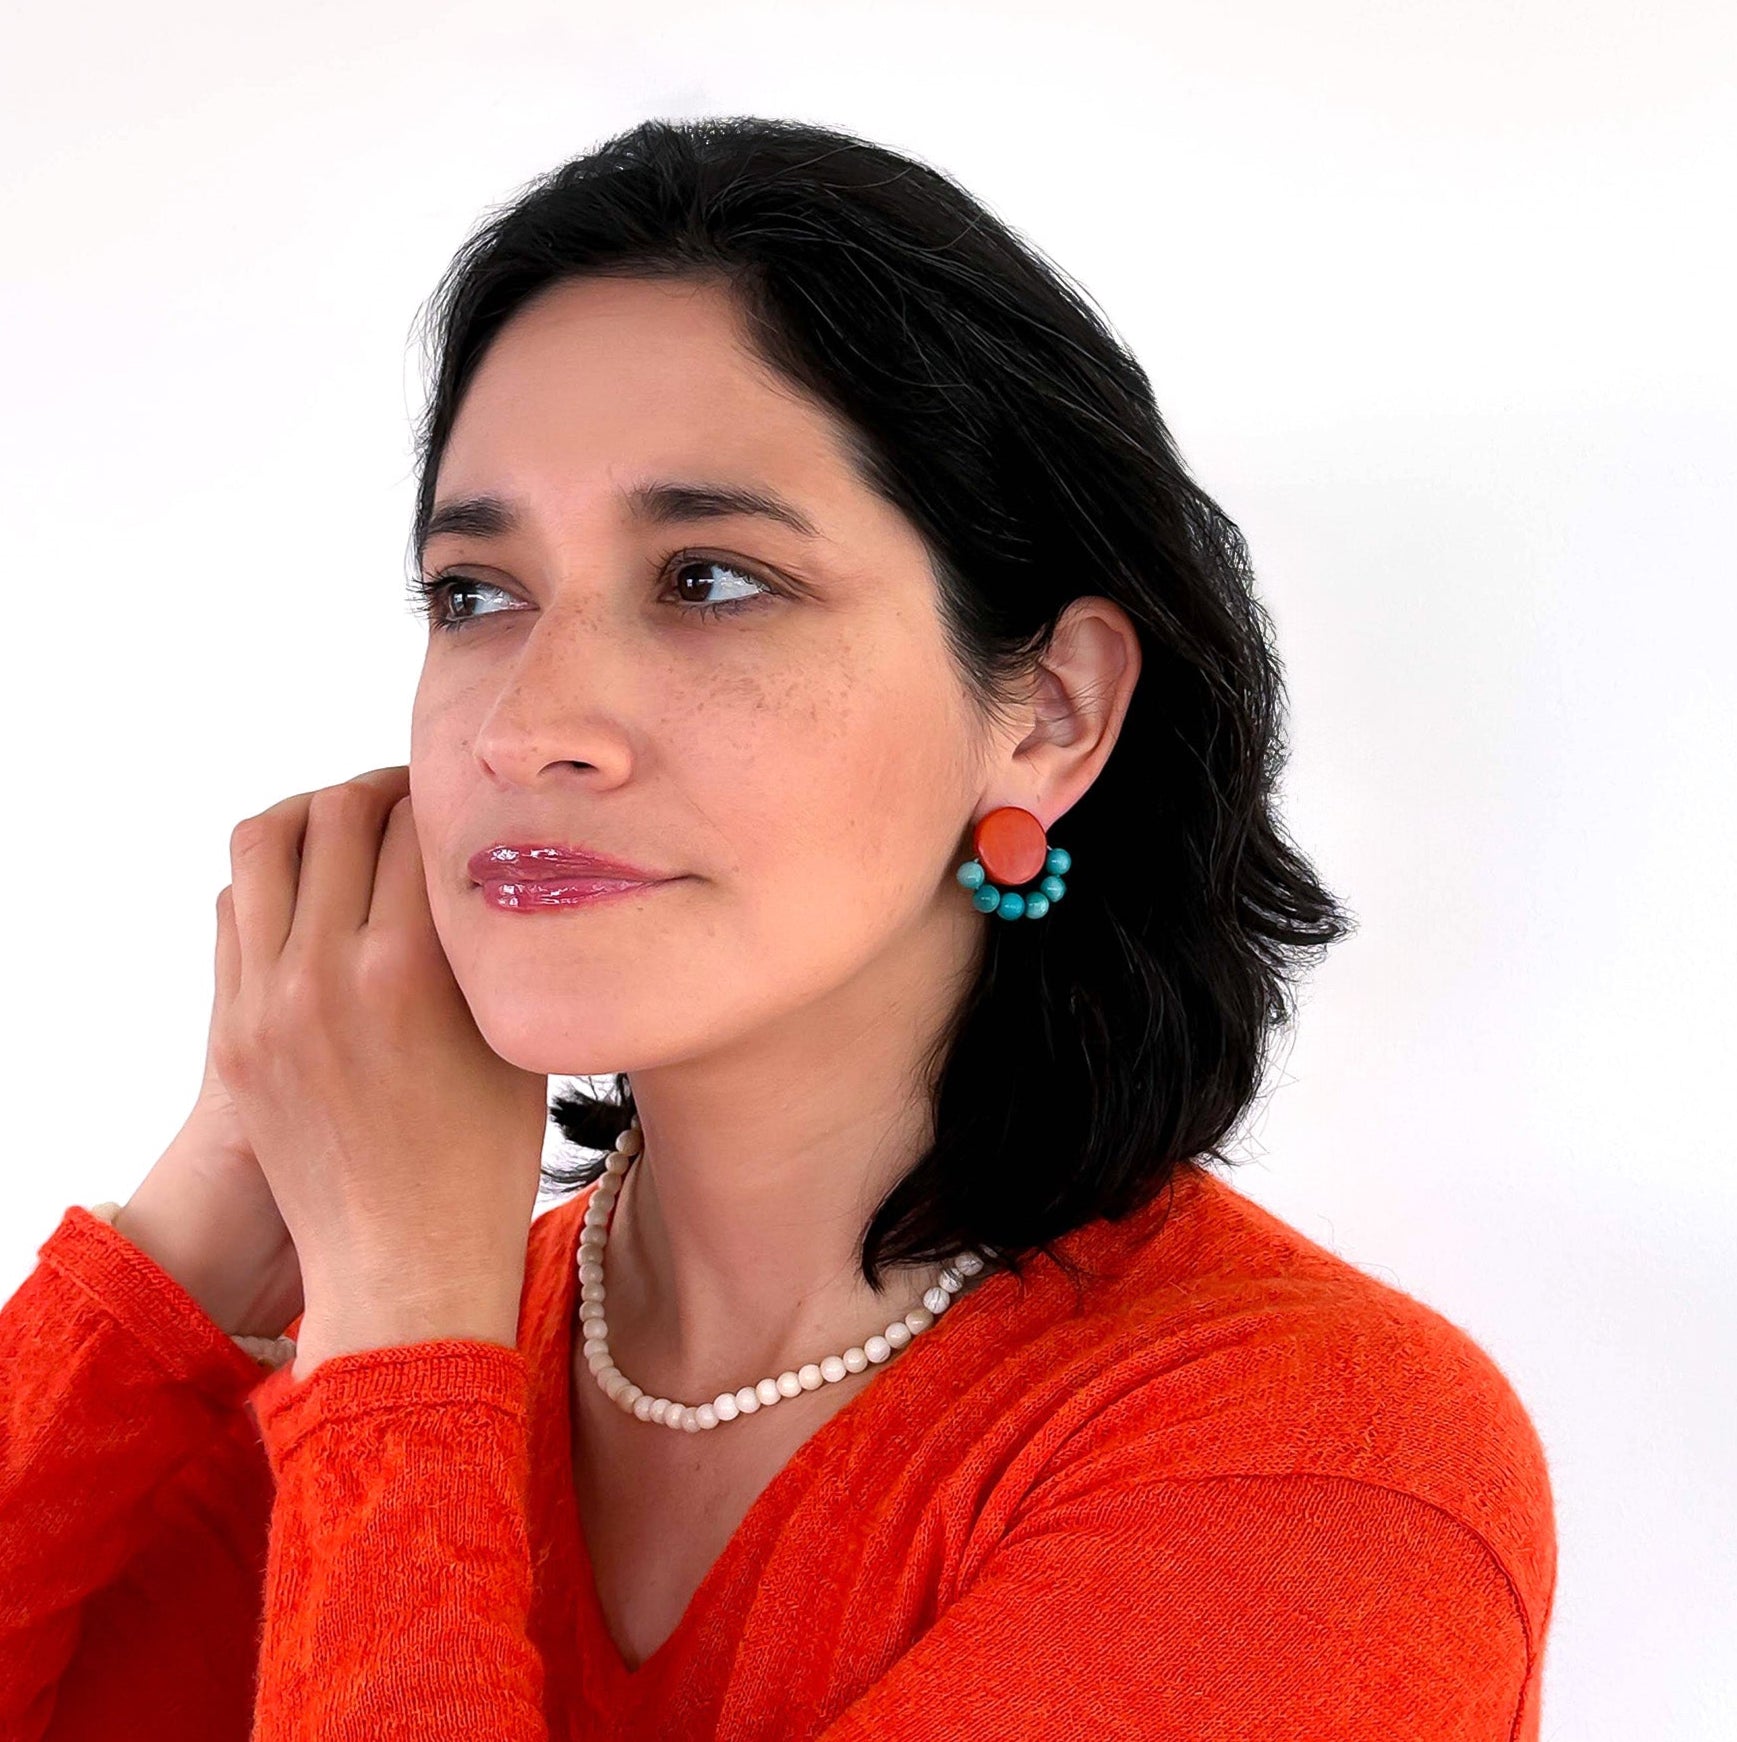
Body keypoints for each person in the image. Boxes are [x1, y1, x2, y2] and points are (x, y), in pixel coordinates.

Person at [0, 115, 1556, 1740]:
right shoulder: (376, 1363)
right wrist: (194, 1234)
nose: (527, 726)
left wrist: (398, 1342)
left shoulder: (1327, 1466)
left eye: (710, 579)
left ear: (1048, 711)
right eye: (476, 593)